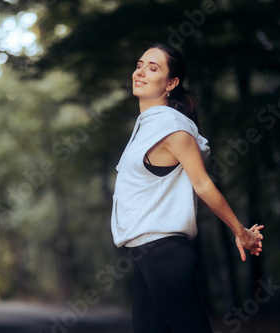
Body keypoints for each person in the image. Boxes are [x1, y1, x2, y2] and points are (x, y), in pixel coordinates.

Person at [110, 42, 264, 333]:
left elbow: (203, 184)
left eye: (153, 68)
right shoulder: (147, 124)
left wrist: (240, 232)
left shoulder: (173, 128)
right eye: (140, 64)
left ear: (171, 83)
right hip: (145, 254)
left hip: (164, 253)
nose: (140, 72)